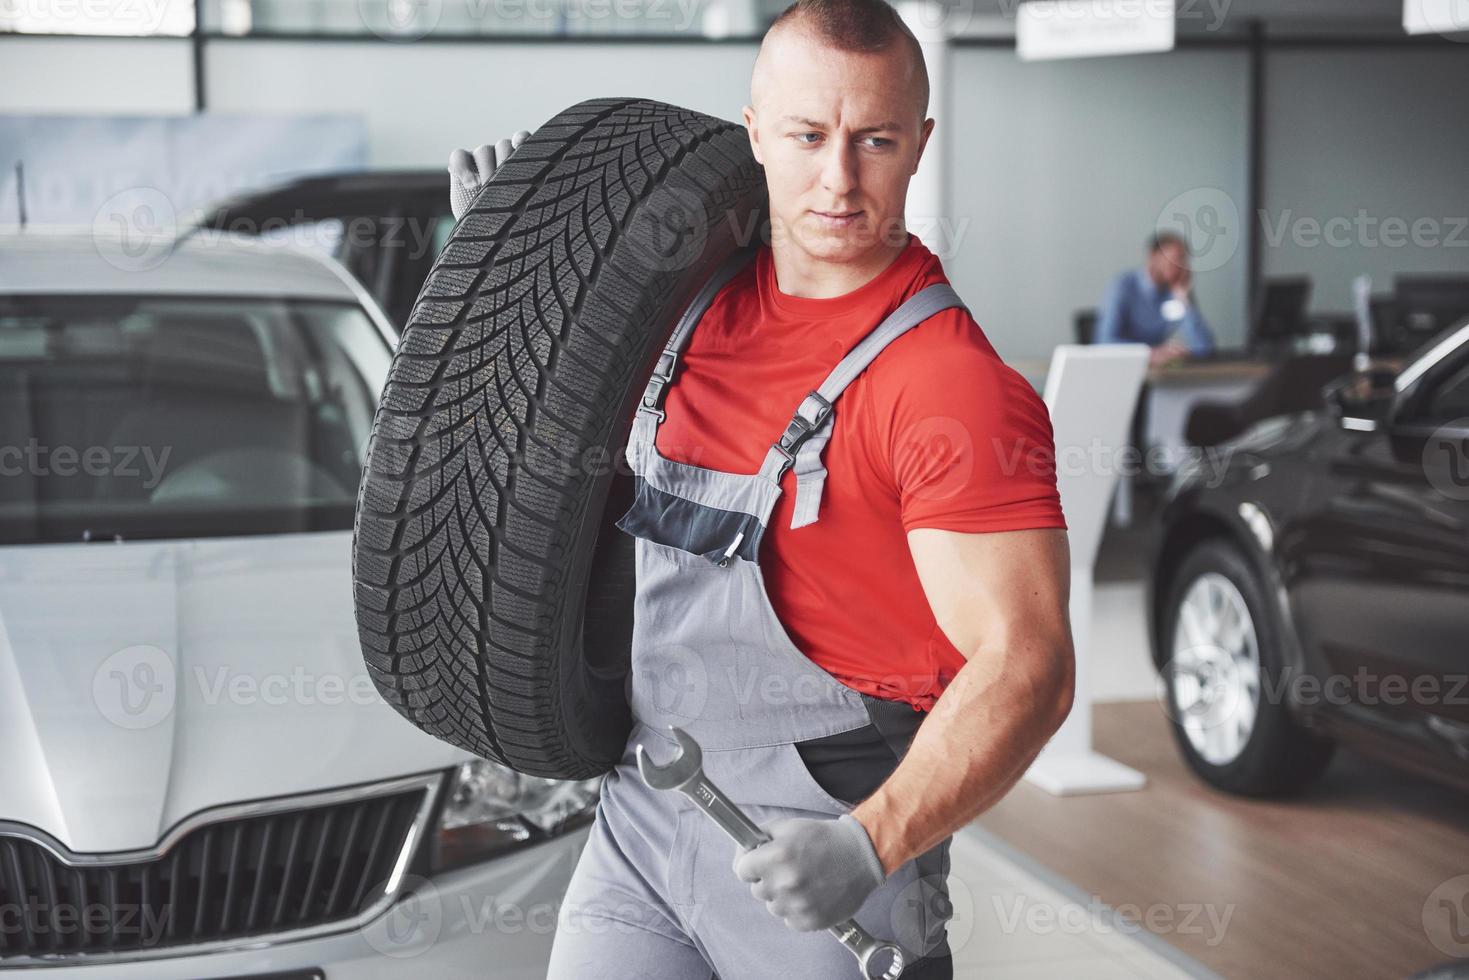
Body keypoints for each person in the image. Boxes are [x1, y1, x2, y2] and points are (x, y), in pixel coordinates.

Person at [447, 1, 1074, 976]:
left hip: (828, 861)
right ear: (752, 134)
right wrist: (511, 264)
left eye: (873, 139)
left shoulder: (947, 386)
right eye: (806, 135)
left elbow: (1026, 663)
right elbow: (534, 471)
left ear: (919, 145)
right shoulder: (669, 303)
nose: (837, 177)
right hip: (643, 826)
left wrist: (870, 839)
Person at [1096, 231, 1216, 366]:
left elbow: (1204, 347)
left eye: (1185, 260)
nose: (1182, 266)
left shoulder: (1175, 292)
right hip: (1121, 371)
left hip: (1157, 376)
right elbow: (1104, 342)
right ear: (1153, 257)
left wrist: (1184, 300)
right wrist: (1151, 353)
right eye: (1177, 258)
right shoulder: (1122, 287)